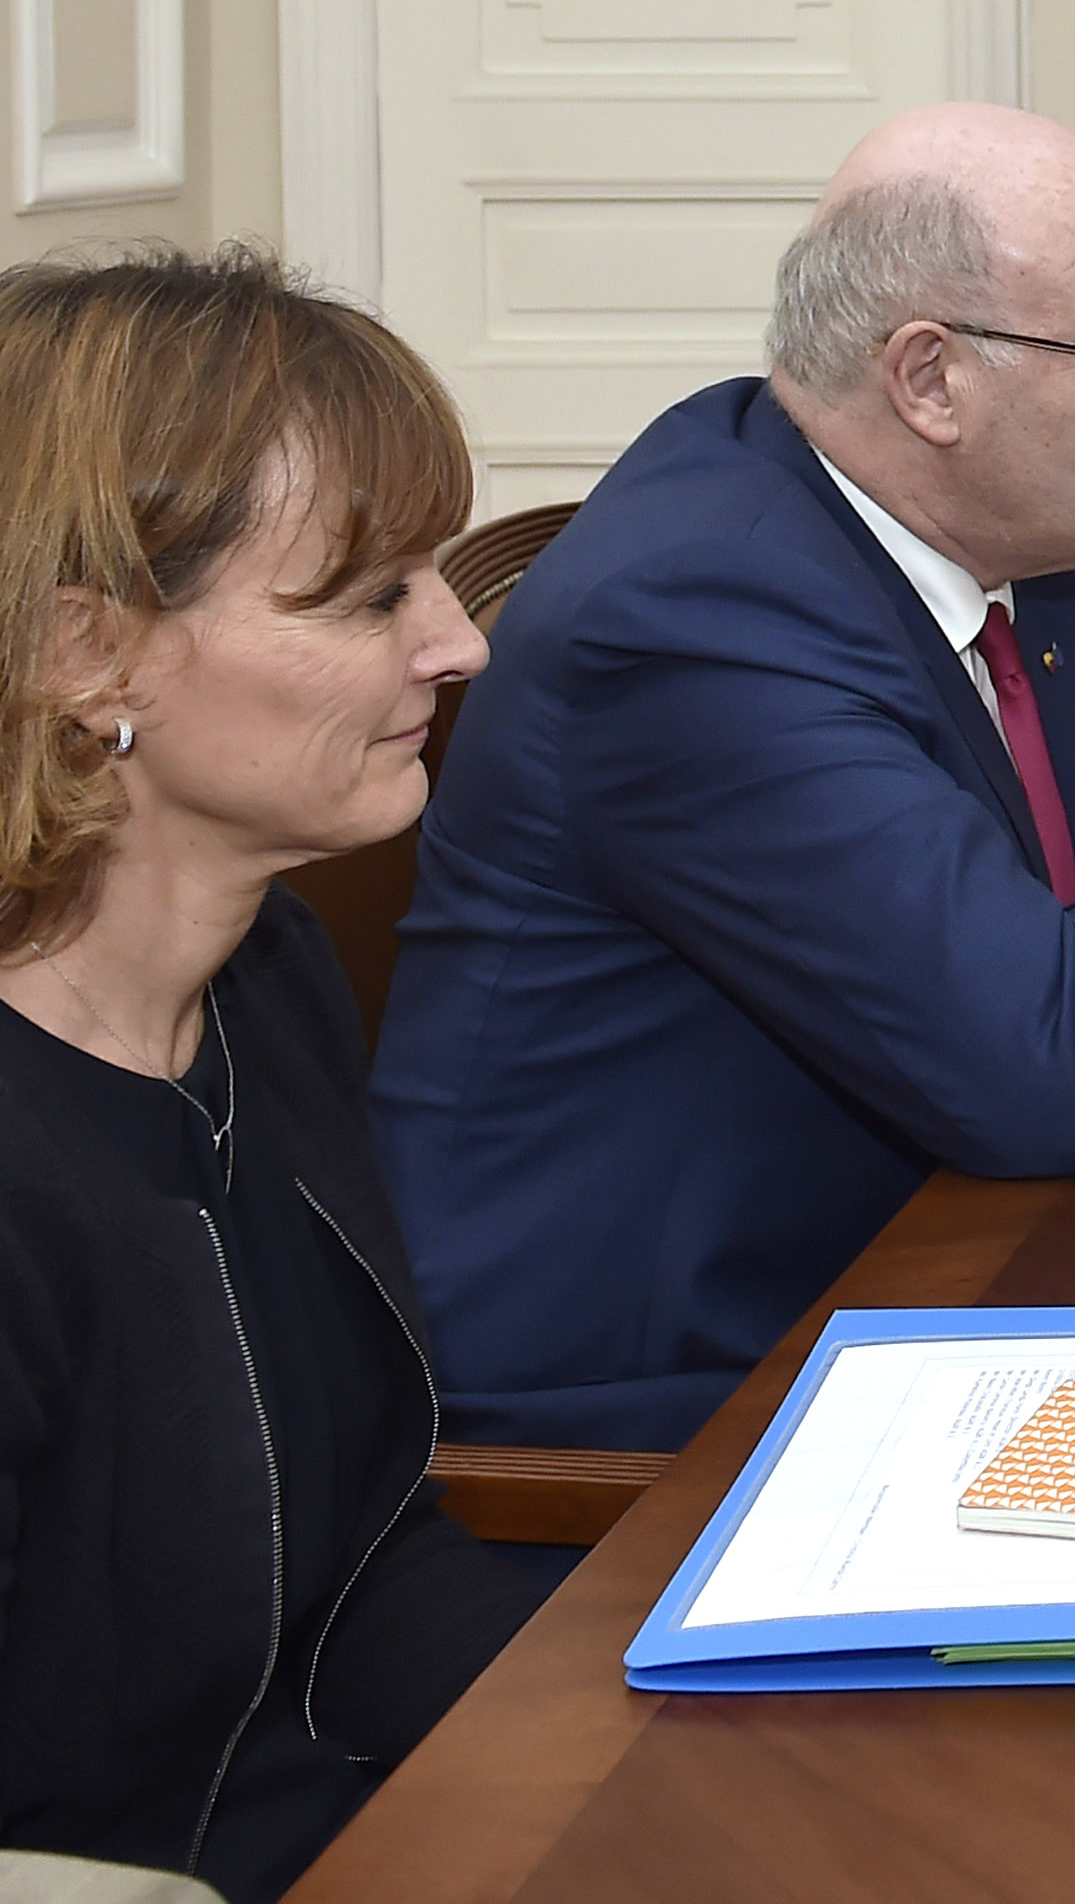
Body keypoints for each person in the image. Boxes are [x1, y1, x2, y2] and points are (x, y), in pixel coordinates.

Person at [372, 106, 1075, 1453]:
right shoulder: (696, 618)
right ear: (929, 380)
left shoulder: (1049, 533)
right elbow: (1037, 1057)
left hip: (969, 1267)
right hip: (673, 1415)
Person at [0, 250, 541, 1901]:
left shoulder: (264, 979)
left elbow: (364, 1572)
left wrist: (671, 1727)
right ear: (91, 657)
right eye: (374, 596)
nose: (460, 647)